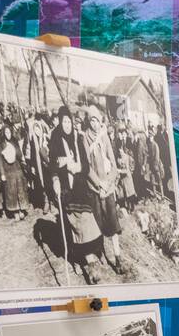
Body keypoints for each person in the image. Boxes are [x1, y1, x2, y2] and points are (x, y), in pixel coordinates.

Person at [47, 105, 108, 284]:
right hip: (66, 190)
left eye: (69, 121)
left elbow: (87, 166)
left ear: (72, 122)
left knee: (88, 224)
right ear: (60, 121)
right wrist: (56, 179)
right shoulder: (55, 138)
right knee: (72, 227)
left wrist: (77, 166)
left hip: (80, 188)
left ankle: (92, 258)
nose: (66, 124)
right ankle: (77, 260)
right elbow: (51, 164)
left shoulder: (78, 138)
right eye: (64, 121)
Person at [84, 106, 123, 272]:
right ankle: (99, 252)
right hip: (95, 188)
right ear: (89, 121)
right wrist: (99, 184)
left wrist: (109, 181)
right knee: (98, 223)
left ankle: (117, 257)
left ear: (101, 122)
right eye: (91, 120)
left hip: (108, 187)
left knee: (113, 224)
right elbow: (87, 167)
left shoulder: (104, 136)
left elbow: (113, 162)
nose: (94, 124)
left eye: (97, 120)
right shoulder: (85, 138)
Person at [0, 122, 28, 219]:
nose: (8, 134)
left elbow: (19, 155)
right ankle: (15, 211)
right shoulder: (1, 144)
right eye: (6, 132)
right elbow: (0, 160)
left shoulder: (14, 141)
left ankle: (21, 209)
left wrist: (17, 152)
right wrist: (2, 173)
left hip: (17, 168)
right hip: (8, 171)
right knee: (11, 191)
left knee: (20, 189)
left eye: (9, 132)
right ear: (4, 133)